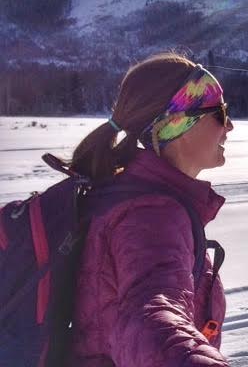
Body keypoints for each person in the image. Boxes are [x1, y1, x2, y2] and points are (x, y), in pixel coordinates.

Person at [65, 52, 234, 366]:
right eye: (220, 113)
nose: (230, 126)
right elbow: (152, 316)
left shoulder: (127, 192)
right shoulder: (152, 214)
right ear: (178, 123)